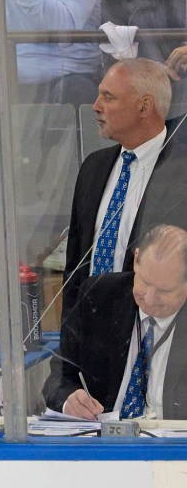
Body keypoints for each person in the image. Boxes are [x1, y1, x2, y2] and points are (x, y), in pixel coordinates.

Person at [52, 58, 187, 305]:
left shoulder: (181, 172)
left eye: (108, 97)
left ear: (144, 107)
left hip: (150, 329)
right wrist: (71, 339)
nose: (95, 106)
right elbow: (75, 266)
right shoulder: (94, 167)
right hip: (91, 328)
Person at [44, 223, 187, 419]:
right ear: (136, 260)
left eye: (165, 291)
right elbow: (59, 378)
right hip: (105, 440)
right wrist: (70, 399)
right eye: (145, 282)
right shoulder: (99, 295)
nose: (150, 299)